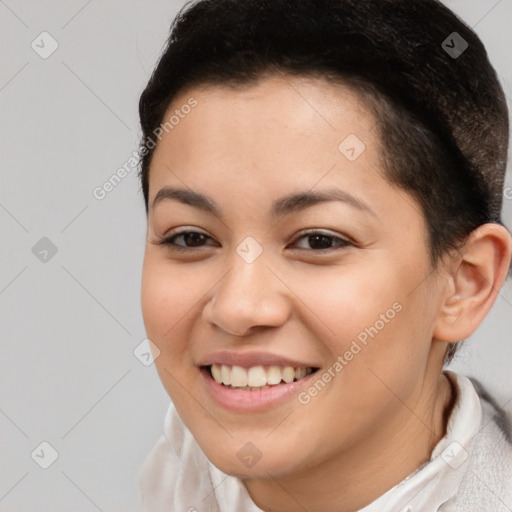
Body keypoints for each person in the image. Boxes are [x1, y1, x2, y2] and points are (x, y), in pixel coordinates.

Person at [136, 0, 512, 510]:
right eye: (190, 237)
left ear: (464, 282)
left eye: (319, 240)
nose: (237, 308)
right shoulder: (176, 473)